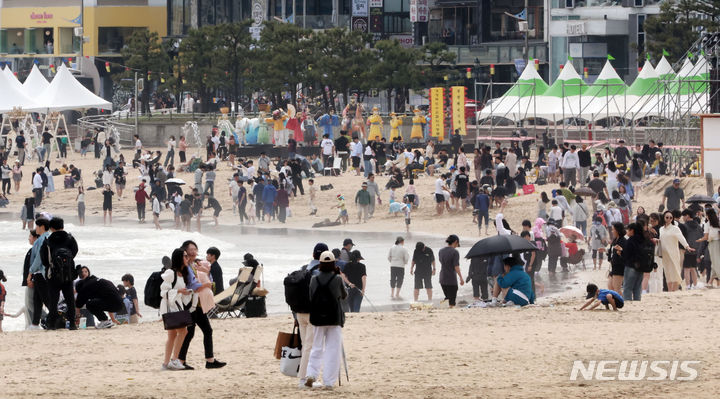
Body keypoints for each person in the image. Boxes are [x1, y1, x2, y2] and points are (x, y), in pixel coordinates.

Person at [178, 240, 226, 370]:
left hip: (197, 303)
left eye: (195, 249)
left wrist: (206, 272)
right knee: (192, 332)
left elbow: (206, 279)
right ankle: (184, 361)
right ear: (185, 252)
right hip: (190, 304)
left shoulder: (194, 264)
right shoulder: (185, 266)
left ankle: (207, 360)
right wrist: (205, 285)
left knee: (199, 331)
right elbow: (192, 285)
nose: (194, 251)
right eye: (191, 249)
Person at [304, 251, 347, 389]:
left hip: (317, 318)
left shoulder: (313, 279)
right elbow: (344, 295)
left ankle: (311, 374)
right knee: (332, 349)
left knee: (316, 347)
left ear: (320, 264)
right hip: (334, 318)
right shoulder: (337, 279)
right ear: (334, 263)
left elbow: (311, 297)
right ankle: (328, 381)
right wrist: (338, 275)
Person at [40, 217, 79, 330]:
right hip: (68, 273)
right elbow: (75, 251)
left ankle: (52, 324)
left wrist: (51, 265)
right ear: (63, 226)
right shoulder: (70, 238)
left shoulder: (48, 240)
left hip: (53, 274)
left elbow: (44, 259)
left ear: (51, 228)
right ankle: (72, 324)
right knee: (70, 298)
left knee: (53, 299)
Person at [161, 248, 193, 370]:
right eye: (185, 256)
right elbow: (163, 292)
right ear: (179, 258)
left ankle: (165, 364)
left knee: (172, 335)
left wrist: (184, 293)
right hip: (171, 307)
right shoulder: (171, 273)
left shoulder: (181, 273)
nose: (187, 258)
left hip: (176, 305)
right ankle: (174, 360)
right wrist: (179, 291)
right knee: (183, 332)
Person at [659, 210, 694, 291]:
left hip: (674, 253)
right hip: (665, 254)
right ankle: (670, 290)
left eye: (671, 218)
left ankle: (674, 290)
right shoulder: (661, 229)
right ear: (664, 218)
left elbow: (681, 238)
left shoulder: (675, 228)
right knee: (667, 272)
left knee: (675, 271)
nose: (669, 219)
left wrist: (687, 246)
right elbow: (661, 240)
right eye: (667, 217)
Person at [616, 223, 646, 301]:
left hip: (631, 267)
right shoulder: (643, 240)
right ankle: (637, 303)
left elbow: (627, 255)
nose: (627, 232)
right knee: (637, 288)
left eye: (628, 230)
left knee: (627, 288)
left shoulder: (630, 240)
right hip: (641, 267)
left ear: (632, 231)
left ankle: (628, 304)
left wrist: (621, 253)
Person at [438, 234, 464, 308]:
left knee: (447, 297)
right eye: (457, 244)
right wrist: (461, 278)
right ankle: (449, 310)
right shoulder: (455, 252)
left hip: (442, 278)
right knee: (452, 300)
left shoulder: (441, 251)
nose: (457, 245)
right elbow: (456, 266)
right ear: (455, 242)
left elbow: (441, 262)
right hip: (451, 279)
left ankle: (445, 308)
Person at [697, 208, 720, 288]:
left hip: (713, 244)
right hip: (718, 243)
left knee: (716, 263)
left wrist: (700, 239)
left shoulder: (707, 224)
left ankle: (712, 281)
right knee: (715, 262)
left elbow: (706, 237)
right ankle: (710, 282)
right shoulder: (718, 222)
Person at [608, 222, 627, 293]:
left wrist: (621, 252)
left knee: (617, 288)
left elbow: (626, 254)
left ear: (617, 230)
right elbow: (612, 252)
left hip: (620, 267)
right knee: (610, 286)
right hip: (614, 266)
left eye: (613, 230)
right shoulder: (615, 240)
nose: (612, 231)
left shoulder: (623, 241)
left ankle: (621, 302)